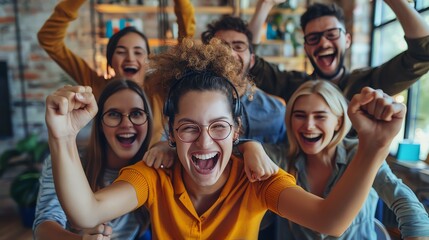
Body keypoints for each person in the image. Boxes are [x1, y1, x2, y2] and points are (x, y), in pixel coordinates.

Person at [45, 39, 406, 239]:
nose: (204, 142)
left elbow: (331, 221)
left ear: (236, 130)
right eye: (189, 127)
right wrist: (62, 136)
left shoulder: (257, 181)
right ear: (171, 131)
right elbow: (86, 211)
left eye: (218, 127)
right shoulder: (153, 176)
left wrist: (374, 148)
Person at [272, 80, 429, 239]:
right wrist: (249, 146)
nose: (309, 126)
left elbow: (408, 207)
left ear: (338, 122)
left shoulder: (360, 153)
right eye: (300, 116)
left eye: (320, 116)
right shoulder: (281, 160)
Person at [34, 79, 153, 239]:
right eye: (114, 114)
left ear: (149, 121)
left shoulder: (152, 168)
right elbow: (43, 227)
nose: (126, 124)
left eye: (137, 113)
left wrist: (169, 148)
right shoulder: (67, 160)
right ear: (100, 126)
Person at [247, 0, 429, 102]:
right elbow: (247, 59)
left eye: (332, 34)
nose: (324, 42)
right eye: (313, 38)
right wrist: (266, 4)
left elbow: (423, 54)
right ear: (306, 48)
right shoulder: (294, 86)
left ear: (347, 40)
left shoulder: (371, 85)